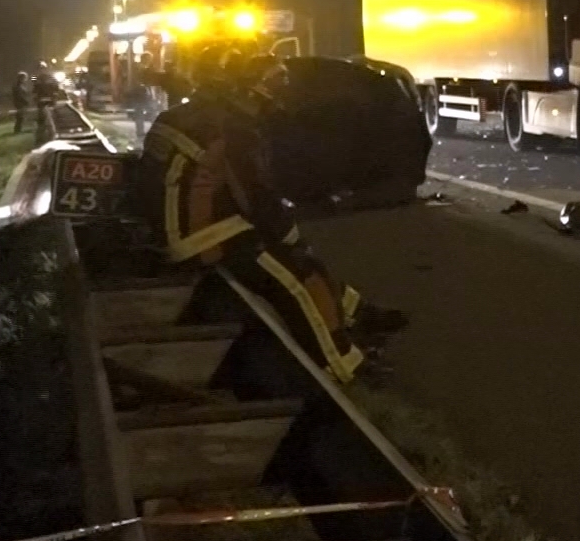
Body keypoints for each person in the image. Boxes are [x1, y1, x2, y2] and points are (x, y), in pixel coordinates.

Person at [132, 51, 403, 384]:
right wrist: (289, 234)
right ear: (250, 90)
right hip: (201, 236)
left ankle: (357, 312)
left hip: (177, 225)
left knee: (301, 259)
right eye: (273, 87)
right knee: (295, 279)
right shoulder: (234, 128)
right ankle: (345, 368)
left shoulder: (189, 114)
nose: (276, 99)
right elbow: (257, 198)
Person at [10, 71, 32, 135]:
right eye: (25, 78)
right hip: (20, 103)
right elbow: (19, 95)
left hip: (21, 103)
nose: (25, 79)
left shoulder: (21, 85)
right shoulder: (18, 86)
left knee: (21, 117)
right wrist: (25, 101)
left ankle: (18, 130)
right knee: (20, 117)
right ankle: (17, 130)